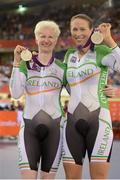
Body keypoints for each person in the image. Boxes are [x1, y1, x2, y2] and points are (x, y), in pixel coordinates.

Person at [62, 14, 120, 179]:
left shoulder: (101, 51)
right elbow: (66, 84)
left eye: (82, 29)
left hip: (99, 120)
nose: (78, 33)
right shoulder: (68, 55)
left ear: (91, 30)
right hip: (72, 122)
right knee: (71, 177)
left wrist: (110, 41)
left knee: (99, 177)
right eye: (75, 29)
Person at [10, 20, 67, 179]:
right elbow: (15, 94)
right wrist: (16, 62)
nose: (46, 40)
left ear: (56, 40)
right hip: (29, 129)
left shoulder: (62, 68)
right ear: (36, 39)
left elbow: (77, 92)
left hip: (55, 129)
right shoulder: (25, 65)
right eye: (42, 36)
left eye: (51, 37)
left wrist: (103, 89)